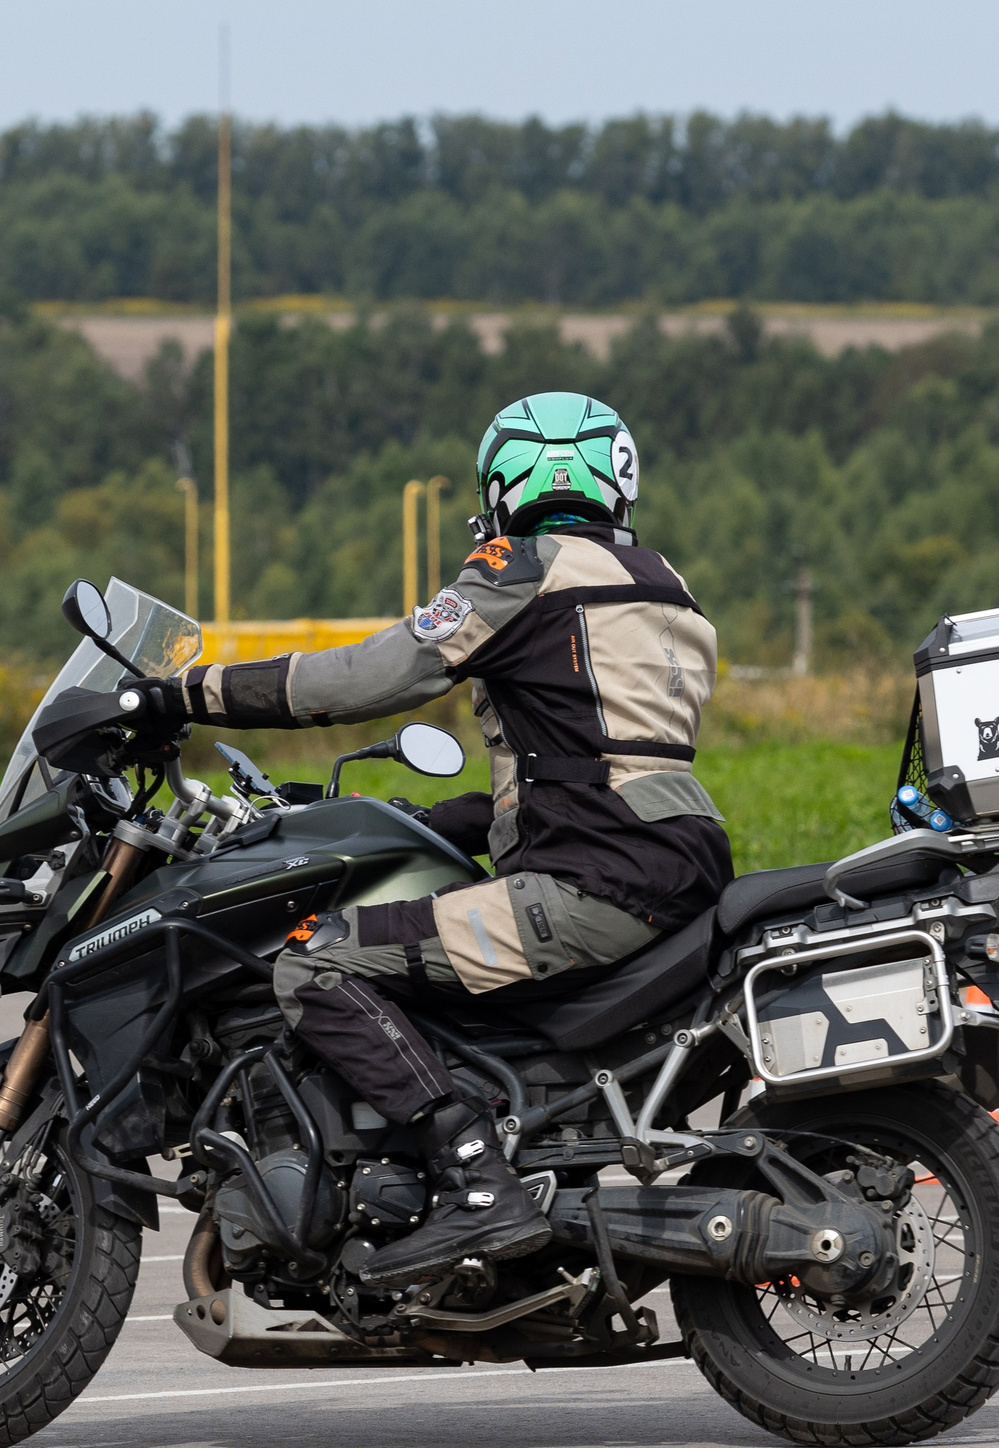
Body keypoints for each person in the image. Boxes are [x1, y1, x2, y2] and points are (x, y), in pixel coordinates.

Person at [124, 392, 731, 1286]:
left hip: (593, 882)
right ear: (619, 479)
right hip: (670, 857)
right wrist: (427, 818)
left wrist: (180, 694)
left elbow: (365, 675)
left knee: (317, 963)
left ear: (503, 482)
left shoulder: (522, 569)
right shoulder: (660, 583)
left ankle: (478, 1181)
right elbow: (593, 767)